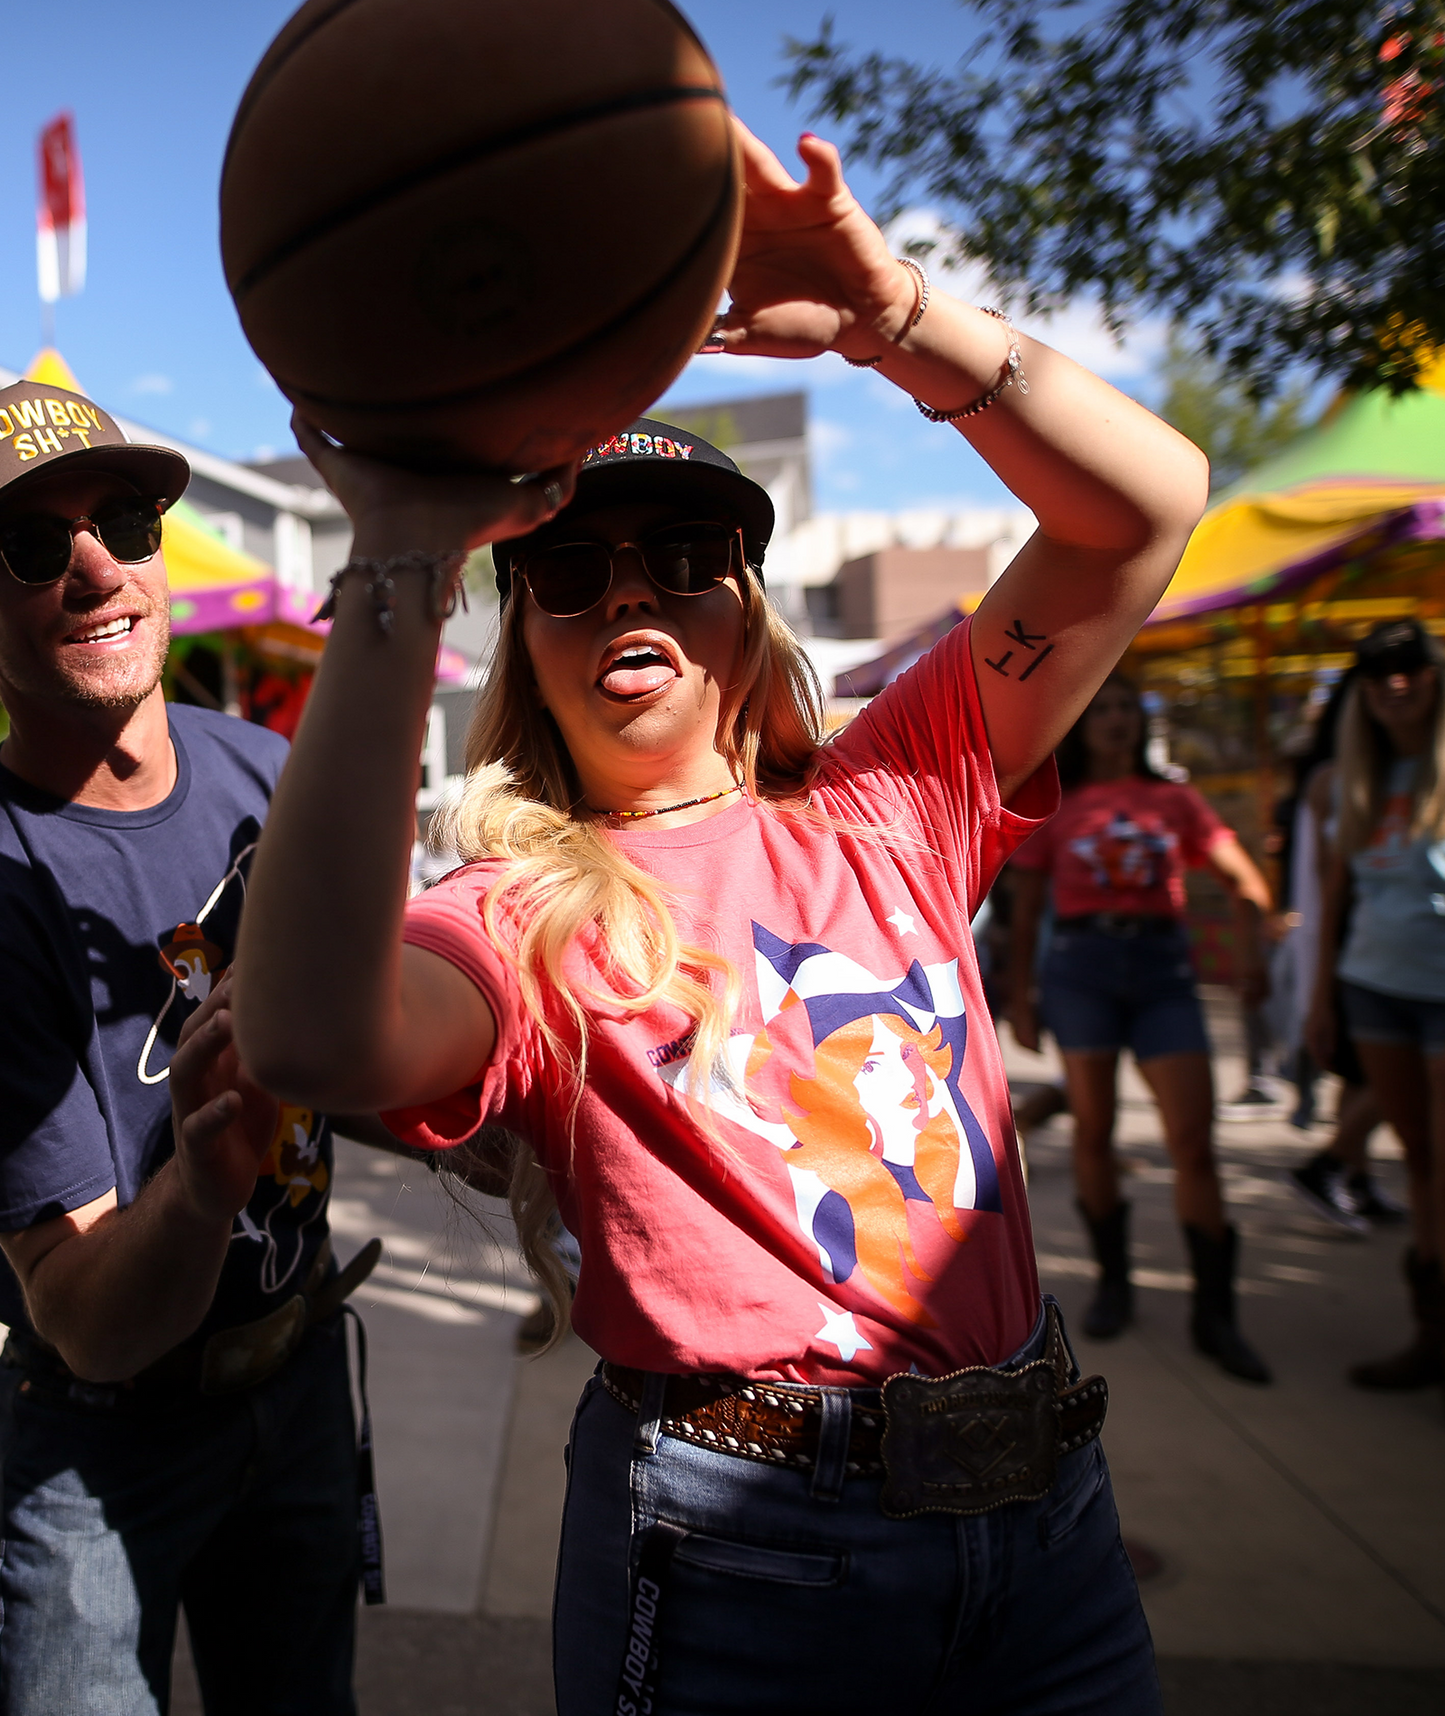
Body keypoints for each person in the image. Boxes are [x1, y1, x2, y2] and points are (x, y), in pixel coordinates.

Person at [235, 122, 1208, 1714]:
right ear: (525, 640)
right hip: (741, 1552)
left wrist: (899, 316)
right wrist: (402, 551)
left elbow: (1146, 506)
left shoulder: (898, 793)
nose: (628, 592)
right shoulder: (519, 906)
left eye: (685, 558)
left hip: (1049, 1529)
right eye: (567, 568)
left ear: (746, 622)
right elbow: (307, 1035)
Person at [0, 379, 375, 1714]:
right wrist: (211, 1178)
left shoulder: (266, 773)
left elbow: (377, 1058)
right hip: (100, 1444)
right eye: (34, 547)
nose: (98, 565)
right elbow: (85, 1319)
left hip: (301, 1377)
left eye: (124, 520)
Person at [1007, 676, 1274, 1381]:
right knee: (1093, 1131)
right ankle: (1114, 1285)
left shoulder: (1173, 800)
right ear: (1082, 724)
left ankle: (1215, 1313)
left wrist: (1251, 955)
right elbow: (1026, 907)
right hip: (1079, 970)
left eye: (1128, 709)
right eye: (1103, 710)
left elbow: (1246, 880)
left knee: (1192, 1140)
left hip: (1161, 972)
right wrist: (1021, 995)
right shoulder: (1057, 802)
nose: (1117, 721)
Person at [1307, 619, 1445, 1397]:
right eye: (1376, 670)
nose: (1394, 681)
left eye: (1408, 665)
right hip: (1373, 986)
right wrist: (1320, 996)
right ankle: (1430, 1333)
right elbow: (1331, 897)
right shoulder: (1344, 780)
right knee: (1417, 1159)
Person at [1282, 672, 1405, 1232]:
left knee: (1372, 1077)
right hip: (1361, 954)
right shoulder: (1333, 783)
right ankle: (1334, 1165)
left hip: (1376, 952)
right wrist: (1317, 984)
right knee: (1392, 1074)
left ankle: (1350, 1176)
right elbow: (1321, 887)